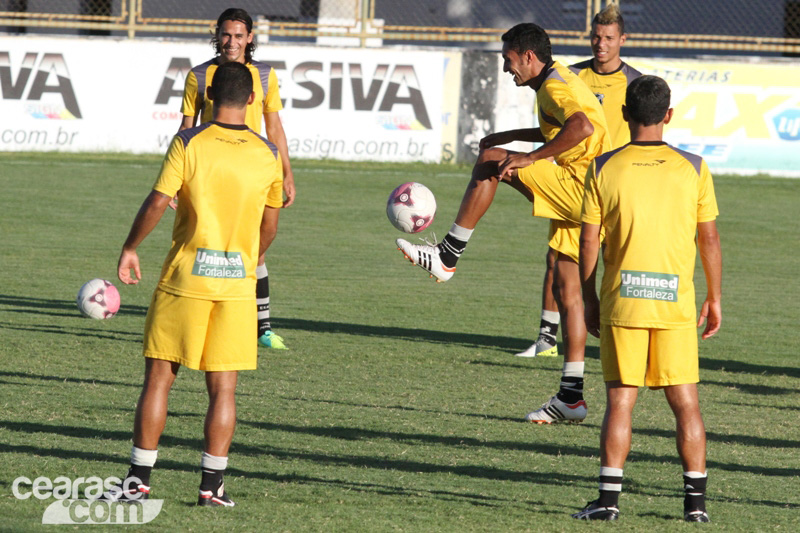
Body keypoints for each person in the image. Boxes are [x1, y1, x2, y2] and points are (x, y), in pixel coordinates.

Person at [396, 23, 610, 424]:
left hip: (582, 187)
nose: (506, 68)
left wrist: (530, 157)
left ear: (528, 56)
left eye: (508, 60)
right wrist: (510, 135)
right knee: (568, 292)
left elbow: (582, 127)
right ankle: (571, 396)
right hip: (588, 187)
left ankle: (447, 255)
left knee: (493, 162)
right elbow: (562, 127)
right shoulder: (556, 79)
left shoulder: (554, 86)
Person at [106, 61, 284, 507]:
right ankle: (212, 487)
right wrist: (250, 259)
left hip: (186, 277)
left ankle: (138, 482)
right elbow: (271, 224)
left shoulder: (189, 141)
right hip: (237, 287)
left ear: (207, 98)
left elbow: (159, 199)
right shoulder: (268, 154)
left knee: (159, 380)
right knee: (224, 389)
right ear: (251, 100)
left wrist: (131, 247)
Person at [573, 75, 721, 522]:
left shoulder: (602, 167)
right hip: (675, 303)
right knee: (686, 403)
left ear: (624, 115)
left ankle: (608, 502)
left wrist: (588, 298)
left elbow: (587, 242)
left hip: (624, 302)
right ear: (668, 116)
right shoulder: (694, 167)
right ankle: (695, 508)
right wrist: (714, 297)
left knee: (621, 402)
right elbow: (709, 237)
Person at [517, 3, 641, 359]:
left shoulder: (634, 82)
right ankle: (546, 339)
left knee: (617, 264)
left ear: (622, 40)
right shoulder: (570, 76)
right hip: (580, 181)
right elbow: (556, 129)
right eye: (596, 37)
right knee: (557, 259)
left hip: (616, 184)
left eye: (608, 38)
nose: (600, 44)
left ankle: (621, 339)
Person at [180, 7, 294, 350]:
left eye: (239, 36)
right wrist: (179, 177)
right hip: (211, 173)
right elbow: (187, 129)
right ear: (217, 35)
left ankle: (259, 326)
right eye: (226, 35)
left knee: (259, 244)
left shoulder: (264, 75)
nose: (232, 42)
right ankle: (223, 319)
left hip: (253, 171)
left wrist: (287, 172)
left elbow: (274, 126)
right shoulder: (200, 76)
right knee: (206, 243)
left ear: (250, 39)